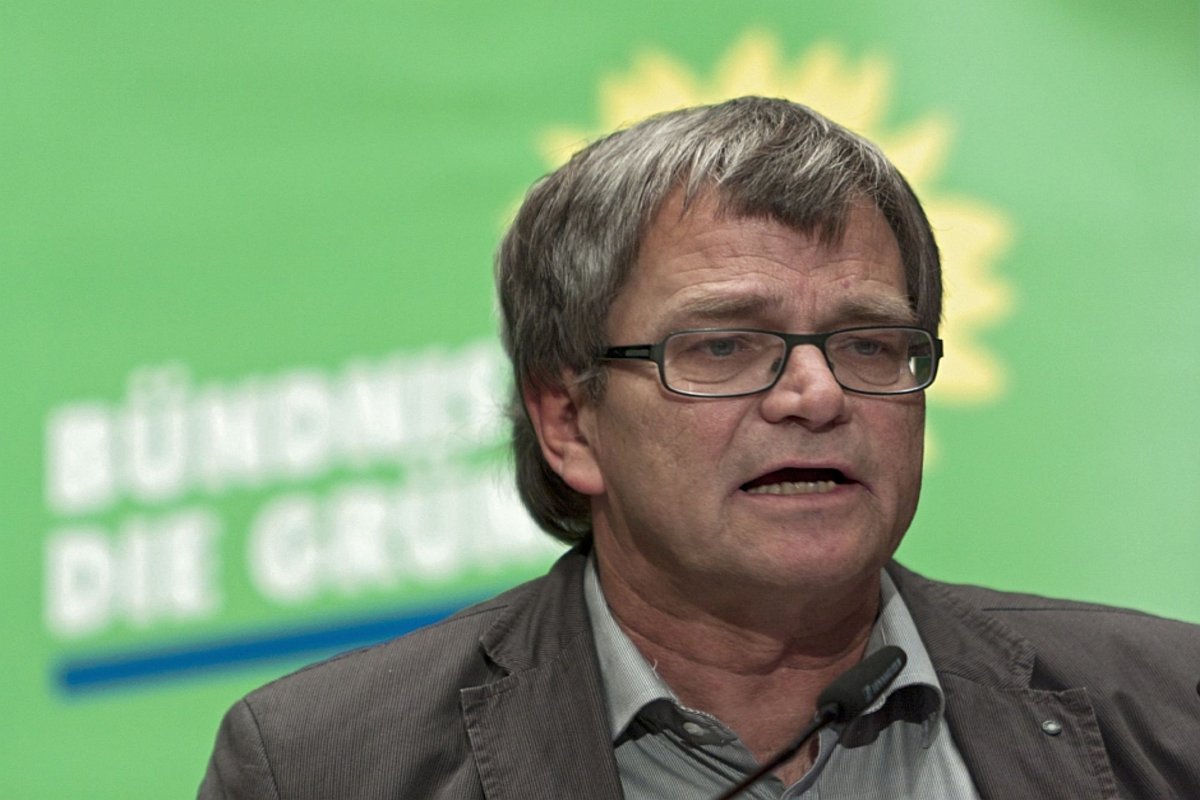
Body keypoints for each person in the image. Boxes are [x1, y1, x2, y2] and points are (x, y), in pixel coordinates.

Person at [199, 97, 1200, 799]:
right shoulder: (325, 767)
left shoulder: (1168, 708)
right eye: (723, 346)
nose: (817, 394)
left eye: (867, 343)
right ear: (569, 421)